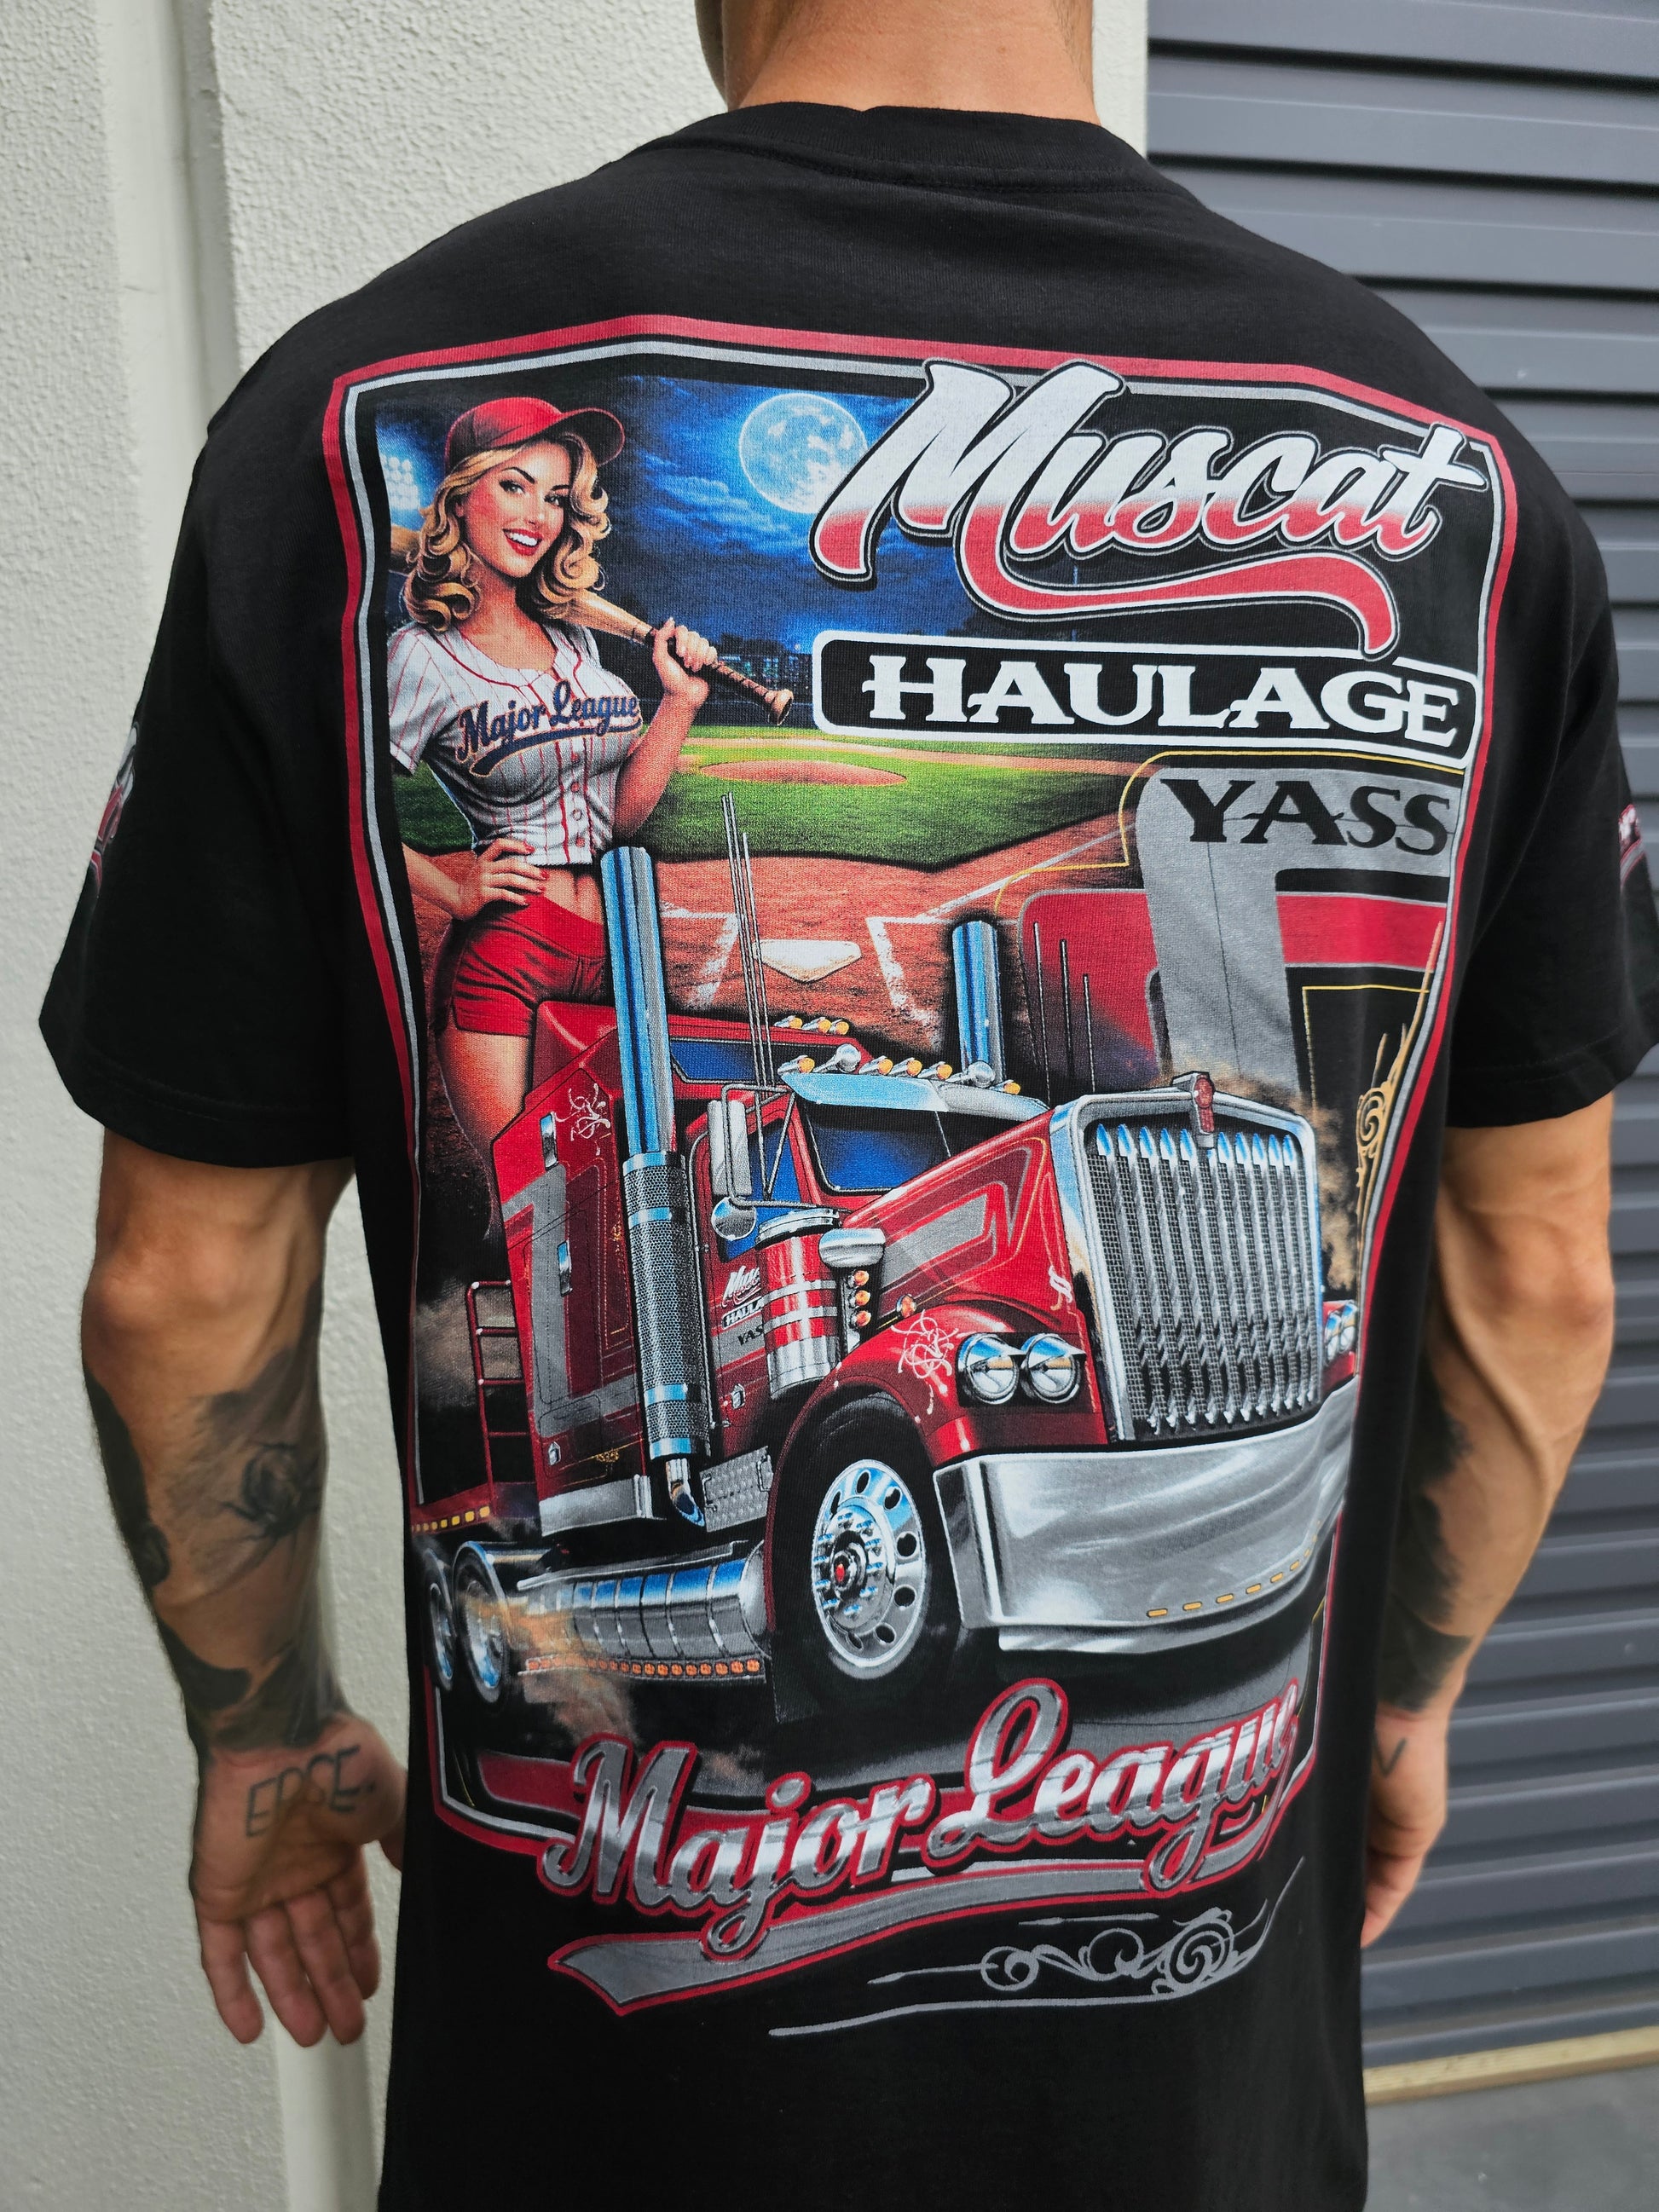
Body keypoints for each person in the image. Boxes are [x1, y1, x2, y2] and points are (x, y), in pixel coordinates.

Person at [39, 3, 1659, 2208]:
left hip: (612, 2105)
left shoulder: (337, 415)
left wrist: (268, 1737)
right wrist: (1392, 1697)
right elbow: (1536, 1271)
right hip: (1204, 2082)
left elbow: (182, 1284)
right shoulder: (1461, 468)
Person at [391, 396, 716, 1161]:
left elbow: (617, 819)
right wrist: (453, 890)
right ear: (460, 496)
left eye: (557, 496)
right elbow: (335, 805)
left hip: (611, 945)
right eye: (515, 485)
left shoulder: (576, 643)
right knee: (523, 1195)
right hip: (507, 947)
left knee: (609, 1185)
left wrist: (679, 704)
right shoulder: (422, 656)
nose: (538, 514)